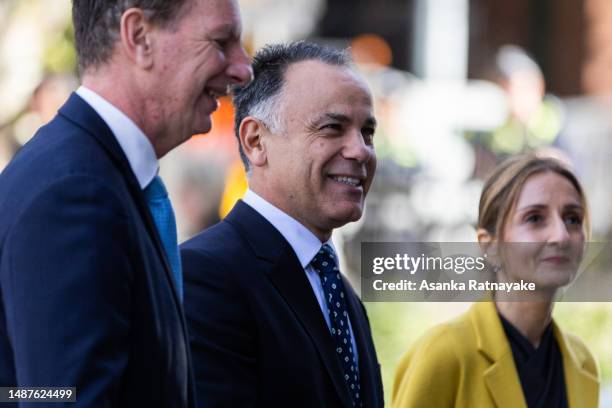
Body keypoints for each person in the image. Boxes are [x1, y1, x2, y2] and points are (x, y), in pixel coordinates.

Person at [0, 0, 252, 406]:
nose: (243, 68)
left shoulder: (96, 177)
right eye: (221, 41)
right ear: (138, 36)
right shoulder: (75, 193)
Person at [181, 41, 384, 407]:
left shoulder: (341, 293)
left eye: (367, 132)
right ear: (256, 141)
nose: (360, 151)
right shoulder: (205, 275)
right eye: (332, 128)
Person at [392, 154, 599, 408]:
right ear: (489, 245)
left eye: (573, 219)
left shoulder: (583, 362)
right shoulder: (444, 354)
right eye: (534, 218)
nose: (561, 235)